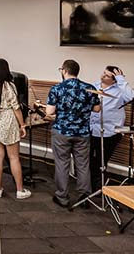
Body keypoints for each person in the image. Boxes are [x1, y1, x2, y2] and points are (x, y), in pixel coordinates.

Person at [36, 60, 101, 208]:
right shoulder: (89, 88)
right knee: (83, 165)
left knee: (62, 163)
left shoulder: (57, 88)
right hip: (83, 132)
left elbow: (49, 112)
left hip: (62, 131)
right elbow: (97, 109)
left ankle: (62, 197)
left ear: (64, 71)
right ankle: (85, 198)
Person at [0, 59, 32, 200]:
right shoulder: (8, 85)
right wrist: (22, 124)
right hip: (8, 119)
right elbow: (16, 107)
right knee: (14, 157)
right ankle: (19, 190)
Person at [89, 65, 134, 192]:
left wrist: (121, 79)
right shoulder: (94, 86)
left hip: (110, 132)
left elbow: (132, 98)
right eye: (103, 73)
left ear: (114, 80)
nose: (103, 76)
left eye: (107, 75)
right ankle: (90, 184)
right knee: (87, 158)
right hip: (91, 129)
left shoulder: (121, 90)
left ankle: (97, 187)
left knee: (101, 160)